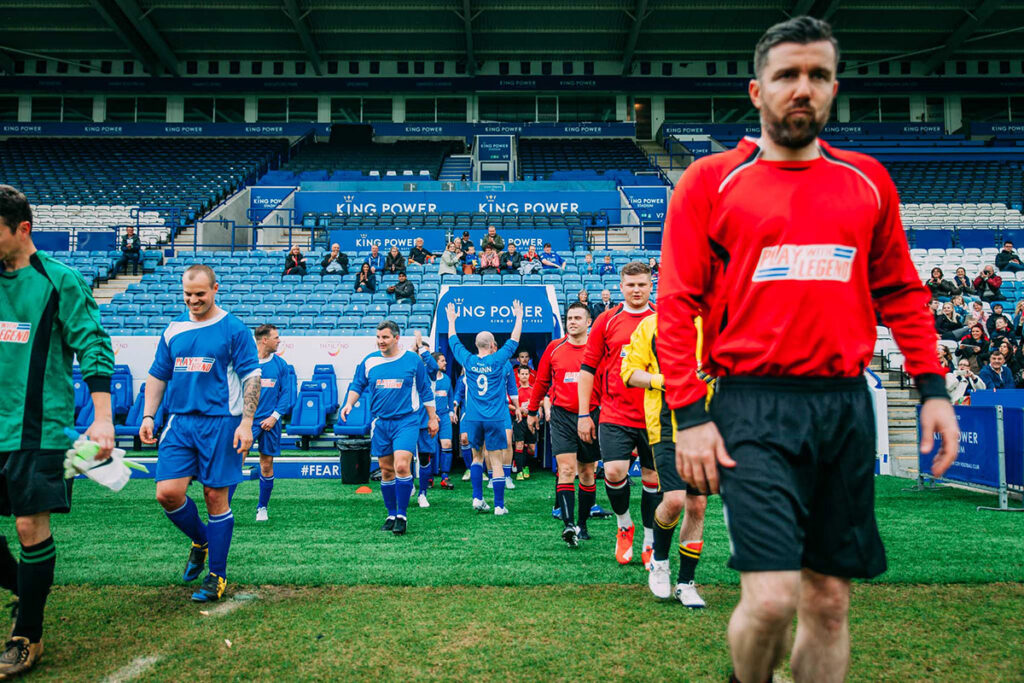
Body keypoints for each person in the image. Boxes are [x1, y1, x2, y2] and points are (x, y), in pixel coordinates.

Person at [656, 17, 958, 683]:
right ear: (756, 89)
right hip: (753, 405)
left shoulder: (868, 180)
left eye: (817, 75)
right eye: (787, 75)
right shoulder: (711, 181)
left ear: (834, 88)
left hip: (844, 405)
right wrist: (691, 414)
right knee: (770, 598)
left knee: (827, 601)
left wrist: (933, 390)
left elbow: (903, 292)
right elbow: (677, 303)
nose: (802, 88)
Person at [0, 185, 115, 676]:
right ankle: (27, 590)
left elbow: (93, 345)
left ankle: (28, 633)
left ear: (21, 229)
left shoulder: (60, 280)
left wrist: (104, 417)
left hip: (38, 428)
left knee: (30, 527)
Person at [141, 264, 262, 603]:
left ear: (215, 289)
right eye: (187, 294)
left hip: (221, 422)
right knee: (167, 493)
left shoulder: (234, 329)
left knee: (214, 498)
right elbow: (157, 375)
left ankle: (217, 576)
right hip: (179, 422)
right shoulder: (173, 330)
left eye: (200, 294)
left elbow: (252, 378)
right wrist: (149, 414)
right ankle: (203, 539)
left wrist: (246, 422)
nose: (193, 300)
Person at [622, 313, 710, 608]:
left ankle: (686, 583)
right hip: (666, 426)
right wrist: (664, 380)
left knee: (697, 504)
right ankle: (659, 561)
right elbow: (630, 373)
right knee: (674, 500)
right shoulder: (651, 325)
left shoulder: (715, 325)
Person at [578, 261, 658, 567]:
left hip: (654, 412)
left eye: (642, 284)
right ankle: (624, 524)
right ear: (621, 287)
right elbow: (587, 369)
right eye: (630, 285)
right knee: (612, 471)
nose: (636, 290)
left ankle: (650, 538)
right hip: (614, 411)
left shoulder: (662, 319)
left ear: (650, 286)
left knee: (653, 477)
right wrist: (585, 414)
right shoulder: (606, 321)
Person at [340, 321, 437, 535]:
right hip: (381, 423)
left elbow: (425, 390)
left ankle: (402, 515)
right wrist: (349, 403)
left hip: (407, 421)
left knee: (402, 466)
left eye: (385, 337)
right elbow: (357, 385)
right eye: (378, 337)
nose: (380, 341)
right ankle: (391, 513)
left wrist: (432, 418)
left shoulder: (412, 360)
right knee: (386, 471)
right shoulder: (369, 361)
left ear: (396, 338)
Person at [528, 302, 601, 547]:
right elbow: (541, 382)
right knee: (567, 470)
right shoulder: (554, 348)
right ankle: (568, 525)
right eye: (569, 317)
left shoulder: (598, 349)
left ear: (588, 322)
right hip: (561, 416)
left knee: (588, 473)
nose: (572, 322)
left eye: (578, 318)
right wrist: (531, 410)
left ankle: (582, 524)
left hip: (590, 415)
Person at [445, 299, 524, 515]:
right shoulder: (498, 360)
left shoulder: (468, 361)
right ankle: (499, 505)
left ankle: (477, 499)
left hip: (473, 417)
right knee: (496, 460)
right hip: (495, 417)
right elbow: (514, 339)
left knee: (477, 456)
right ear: (491, 346)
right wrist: (518, 316)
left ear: (477, 345)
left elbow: (453, 341)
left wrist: (451, 320)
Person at [250, 324, 291, 522]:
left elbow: (287, 393)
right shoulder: (245, 362)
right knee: (234, 462)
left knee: (266, 465)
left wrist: (274, 416)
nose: (279, 340)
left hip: (270, 422)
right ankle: (224, 508)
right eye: (276, 337)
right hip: (246, 422)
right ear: (264, 340)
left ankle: (262, 508)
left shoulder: (281, 365)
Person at [512, 366, 535, 481]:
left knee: (531, 448)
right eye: (522, 374)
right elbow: (507, 404)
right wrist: (519, 409)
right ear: (518, 375)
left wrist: (536, 410)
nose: (525, 376)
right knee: (519, 444)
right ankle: (519, 471)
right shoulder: (515, 390)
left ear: (529, 375)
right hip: (519, 420)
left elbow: (540, 402)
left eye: (527, 374)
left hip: (531, 420)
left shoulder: (533, 389)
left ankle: (526, 466)